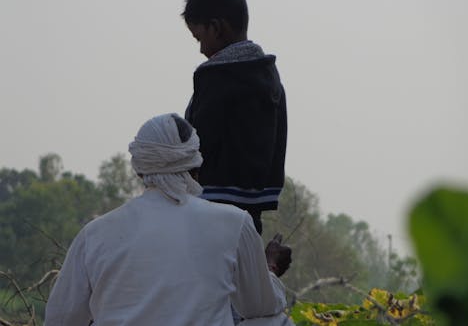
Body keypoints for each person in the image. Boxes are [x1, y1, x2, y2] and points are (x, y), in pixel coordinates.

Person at [44, 113, 293, 326]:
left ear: (140, 169)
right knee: (275, 321)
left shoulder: (95, 233)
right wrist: (269, 268)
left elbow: (61, 318)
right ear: (196, 165)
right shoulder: (234, 222)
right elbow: (259, 306)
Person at [182, 0, 287, 235]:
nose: (200, 49)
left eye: (199, 38)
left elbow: (198, 143)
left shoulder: (216, 77)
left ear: (217, 28)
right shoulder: (270, 78)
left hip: (211, 211)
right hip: (251, 213)